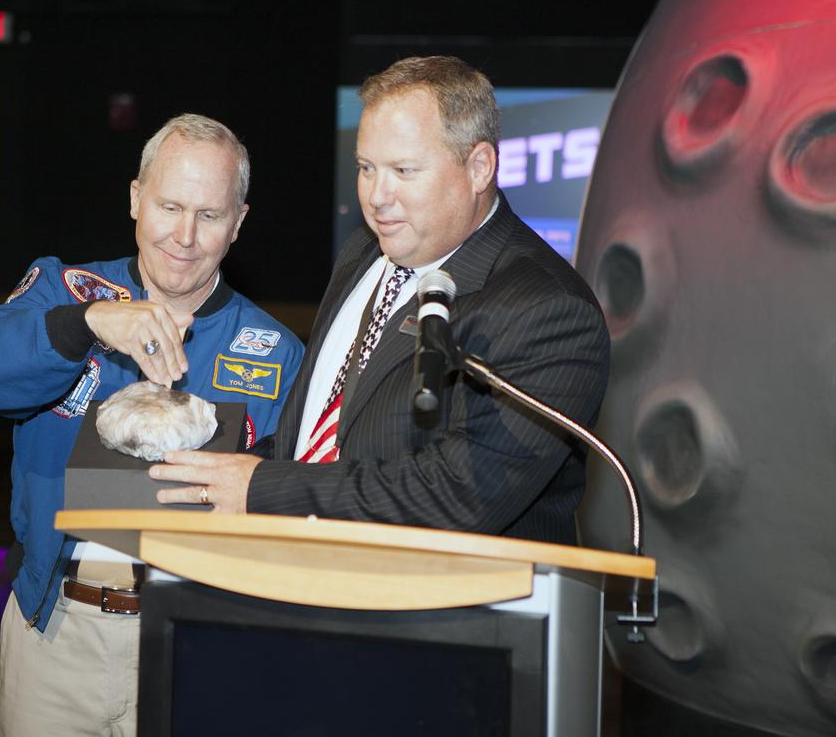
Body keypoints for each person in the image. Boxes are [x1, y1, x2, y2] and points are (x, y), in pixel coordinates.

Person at [151, 56, 610, 546]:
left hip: (446, 613)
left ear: (479, 167)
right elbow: (312, 442)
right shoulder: (364, 252)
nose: (377, 196)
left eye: (403, 170)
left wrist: (262, 488)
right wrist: (207, 471)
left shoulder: (549, 310)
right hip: (307, 588)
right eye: (367, 168)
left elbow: (461, 494)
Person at [0, 113, 304, 736]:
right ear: (136, 198)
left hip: (197, 636)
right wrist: (85, 324)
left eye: (209, 215)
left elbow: (295, 505)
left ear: (240, 223)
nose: (185, 236)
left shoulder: (275, 351)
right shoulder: (65, 291)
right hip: (57, 632)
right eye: (169, 206)